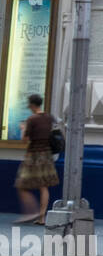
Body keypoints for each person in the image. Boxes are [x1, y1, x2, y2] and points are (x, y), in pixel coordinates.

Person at [14, 93, 59, 225]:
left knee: (21, 185)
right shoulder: (49, 117)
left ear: (32, 105)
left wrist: (23, 129)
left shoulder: (32, 119)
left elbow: (24, 140)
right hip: (47, 154)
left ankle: (32, 212)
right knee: (43, 186)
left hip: (33, 155)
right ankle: (41, 217)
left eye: (29, 104)